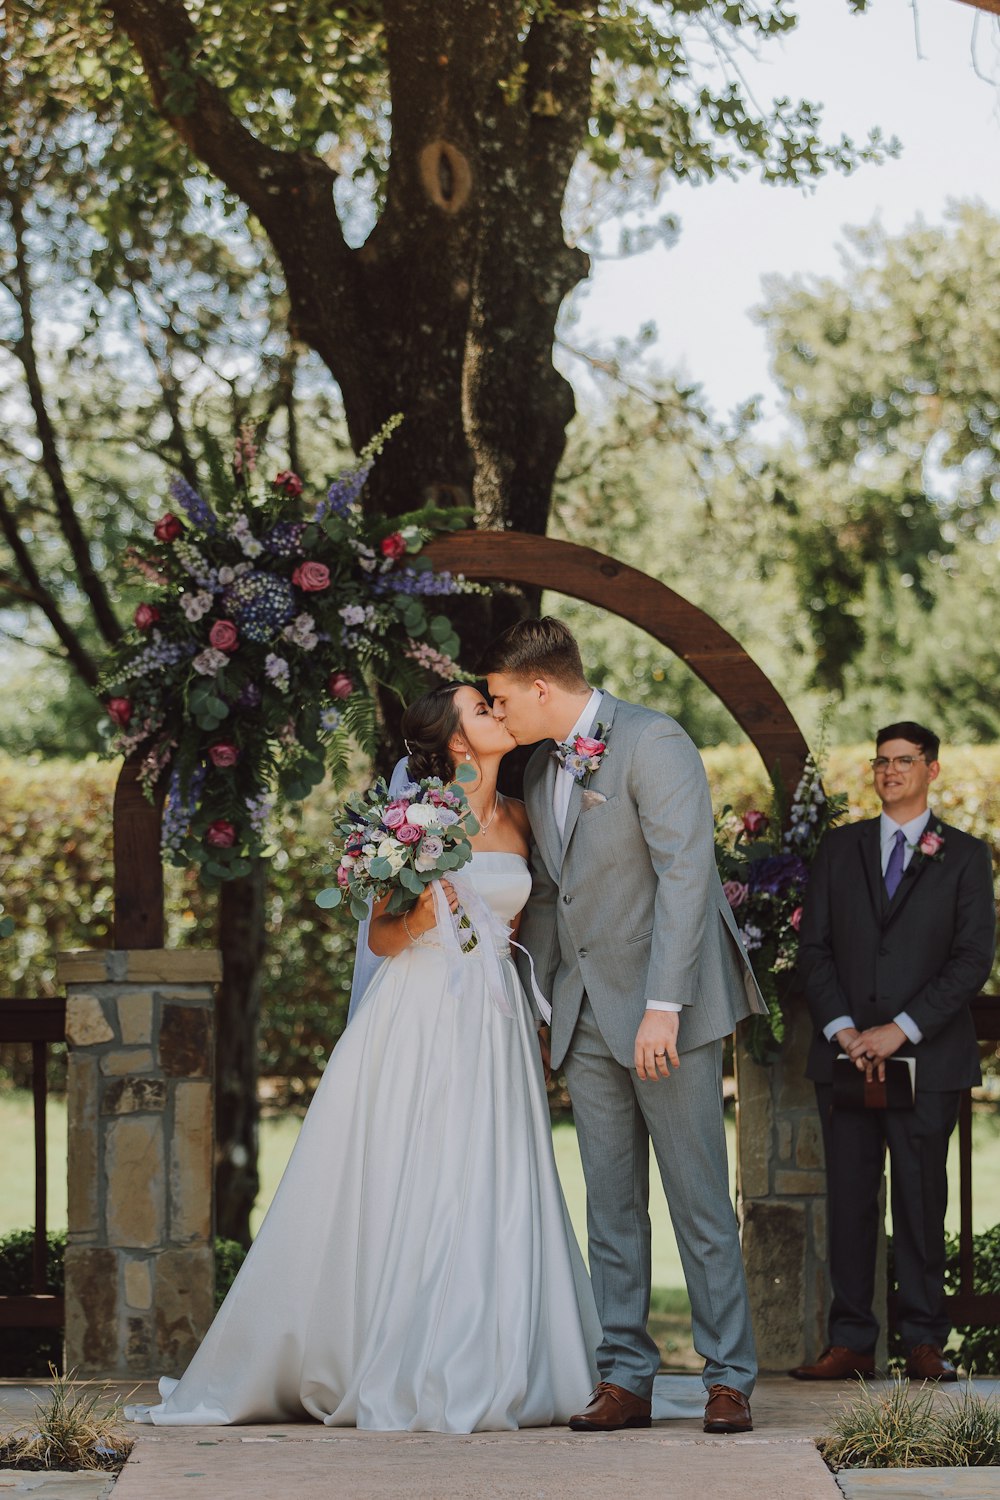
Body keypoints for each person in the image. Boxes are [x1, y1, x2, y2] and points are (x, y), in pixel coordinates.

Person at [126, 683, 599, 1433]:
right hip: (417, 1017)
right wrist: (431, 900)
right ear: (453, 741)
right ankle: (385, 1354)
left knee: (490, 1176)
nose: (496, 714)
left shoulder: (519, 816)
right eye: (482, 709)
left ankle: (494, 1356)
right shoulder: (411, 821)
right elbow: (381, 939)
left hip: (494, 1021)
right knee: (406, 1175)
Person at [481, 617, 768, 1436]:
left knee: (698, 1199)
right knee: (610, 1206)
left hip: (663, 1015)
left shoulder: (654, 740)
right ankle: (626, 1376)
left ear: (542, 688)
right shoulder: (540, 772)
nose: (497, 715)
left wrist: (663, 1007)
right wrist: (538, 1005)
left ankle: (728, 1378)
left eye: (502, 700)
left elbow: (686, 875)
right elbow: (548, 894)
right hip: (581, 1015)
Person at [791, 721, 996, 1383]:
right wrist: (847, 1029)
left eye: (904, 761)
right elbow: (814, 949)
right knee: (849, 1200)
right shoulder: (840, 848)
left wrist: (900, 1028)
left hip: (925, 1060)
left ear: (931, 769)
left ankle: (924, 1342)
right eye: (881, 761)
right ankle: (851, 1343)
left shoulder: (964, 855)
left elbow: (972, 960)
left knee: (918, 1199)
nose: (890, 771)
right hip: (847, 1055)